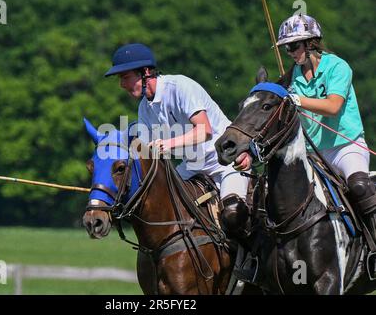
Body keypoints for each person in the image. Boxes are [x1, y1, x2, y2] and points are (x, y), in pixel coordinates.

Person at [235, 14, 376, 249]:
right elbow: (268, 119)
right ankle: (260, 261)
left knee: (359, 187)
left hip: (345, 147)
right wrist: (249, 152)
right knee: (267, 197)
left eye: (292, 46)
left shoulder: (338, 67)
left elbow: (333, 106)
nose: (289, 52)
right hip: (311, 154)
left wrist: (297, 99)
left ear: (311, 43)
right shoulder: (291, 78)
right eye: (285, 48)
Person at [104, 43, 250, 233]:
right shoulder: (144, 109)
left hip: (225, 162)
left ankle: (251, 260)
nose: (122, 84)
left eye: (125, 77)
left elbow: (204, 131)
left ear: (145, 72)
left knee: (232, 215)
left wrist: (168, 144)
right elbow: (147, 152)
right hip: (191, 167)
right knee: (156, 203)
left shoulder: (180, 86)